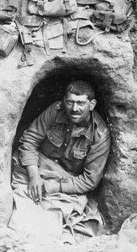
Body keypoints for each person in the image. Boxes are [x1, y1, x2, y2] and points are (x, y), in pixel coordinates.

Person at [10, 80, 111, 238]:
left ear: (92, 104)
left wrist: (52, 187)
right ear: (64, 101)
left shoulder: (100, 134)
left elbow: (89, 181)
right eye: (70, 102)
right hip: (37, 167)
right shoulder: (55, 111)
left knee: (55, 214)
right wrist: (34, 175)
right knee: (21, 197)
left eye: (80, 103)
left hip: (66, 182)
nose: (74, 108)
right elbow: (29, 140)